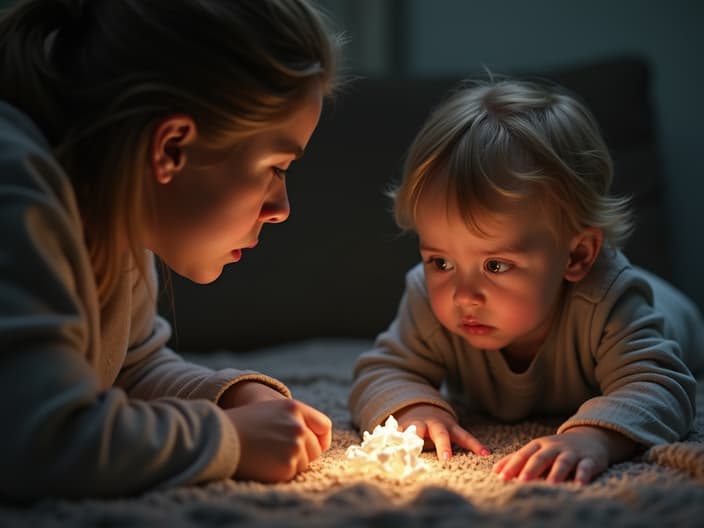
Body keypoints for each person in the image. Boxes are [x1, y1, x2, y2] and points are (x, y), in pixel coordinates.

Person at [0, 0, 341, 500]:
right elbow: (37, 442)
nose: (282, 208)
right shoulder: (16, 193)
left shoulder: (118, 217)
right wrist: (228, 440)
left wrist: (226, 396)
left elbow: (126, 369)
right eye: (277, 167)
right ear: (172, 148)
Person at [348, 77, 704, 485]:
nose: (463, 295)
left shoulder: (608, 300)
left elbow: (662, 383)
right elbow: (380, 371)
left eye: (495, 265)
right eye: (440, 261)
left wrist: (596, 438)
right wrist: (413, 409)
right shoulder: (426, 297)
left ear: (577, 255)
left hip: (671, 311)